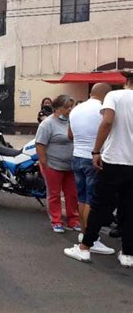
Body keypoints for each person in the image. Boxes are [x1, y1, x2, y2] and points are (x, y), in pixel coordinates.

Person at [64, 71, 133, 268]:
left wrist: (96, 151)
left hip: (114, 159)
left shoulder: (114, 96)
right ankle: (128, 254)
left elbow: (107, 122)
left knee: (99, 204)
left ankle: (85, 247)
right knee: (129, 208)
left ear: (126, 81)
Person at [68, 83, 114, 254]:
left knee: (82, 198)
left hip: (77, 156)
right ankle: (91, 239)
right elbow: (109, 129)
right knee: (91, 200)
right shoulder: (103, 109)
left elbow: (70, 135)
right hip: (94, 158)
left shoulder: (76, 109)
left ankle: (83, 233)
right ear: (107, 95)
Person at [35, 95, 81, 233]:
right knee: (54, 194)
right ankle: (56, 220)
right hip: (53, 165)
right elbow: (40, 144)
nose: (69, 110)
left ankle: (73, 220)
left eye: (70, 107)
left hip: (71, 166)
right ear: (57, 108)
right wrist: (44, 163)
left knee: (72, 194)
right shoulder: (47, 124)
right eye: (66, 107)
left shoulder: (71, 121)